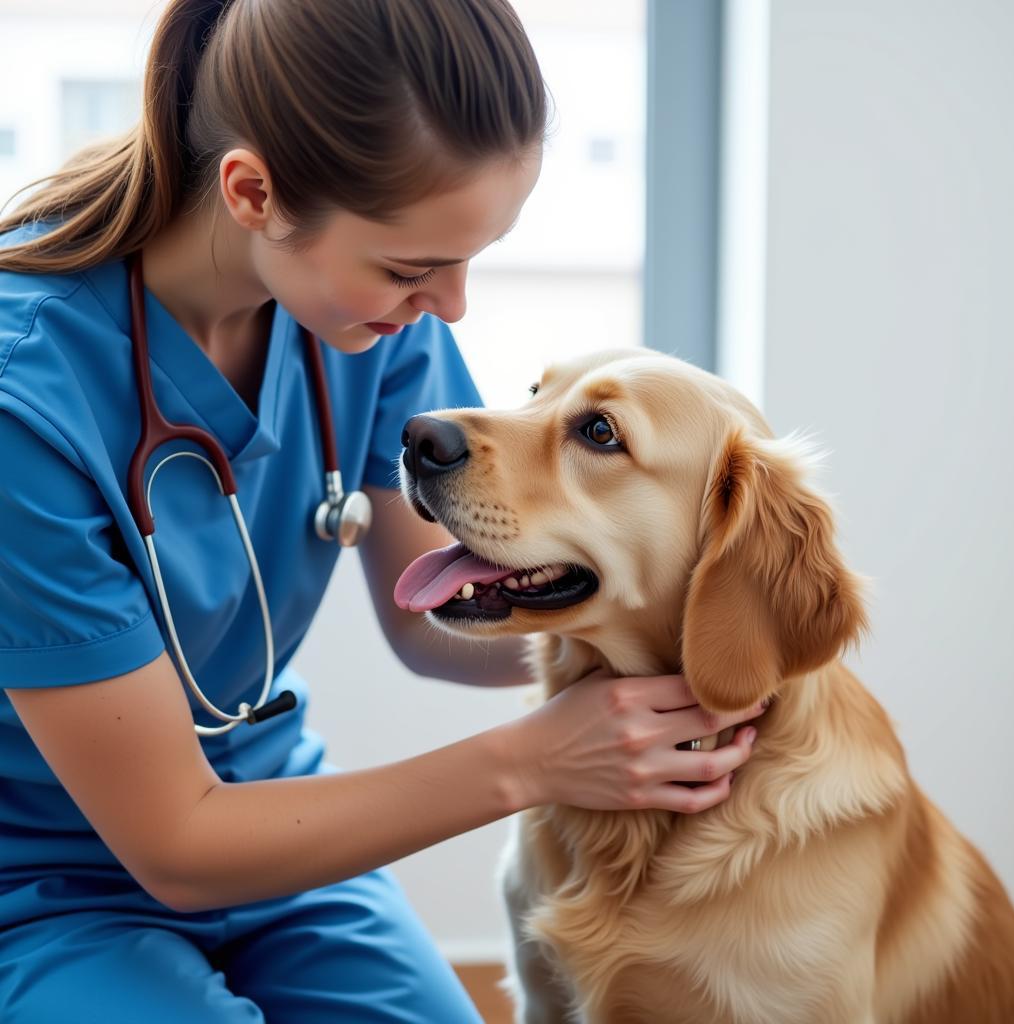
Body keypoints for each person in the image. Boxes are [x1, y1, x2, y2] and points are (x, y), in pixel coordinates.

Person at [0, 0, 765, 1020]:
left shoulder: (365, 314)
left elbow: (433, 617)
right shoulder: (26, 403)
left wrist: (683, 620)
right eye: (415, 269)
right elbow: (178, 845)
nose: (449, 307)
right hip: (45, 883)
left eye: (467, 261)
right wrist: (536, 759)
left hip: (277, 825)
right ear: (253, 192)